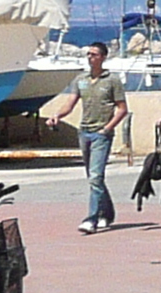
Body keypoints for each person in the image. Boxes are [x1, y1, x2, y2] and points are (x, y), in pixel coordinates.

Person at [47, 41, 129, 234]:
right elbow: (71, 103)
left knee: (95, 176)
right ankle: (106, 214)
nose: (90, 58)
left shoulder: (112, 80)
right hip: (84, 132)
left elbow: (122, 109)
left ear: (103, 57)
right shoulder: (81, 79)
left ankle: (91, 218)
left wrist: (107, 128)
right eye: (88, 54)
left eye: (94, 54)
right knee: (94, 178)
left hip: (102, 134)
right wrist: (57, 115)